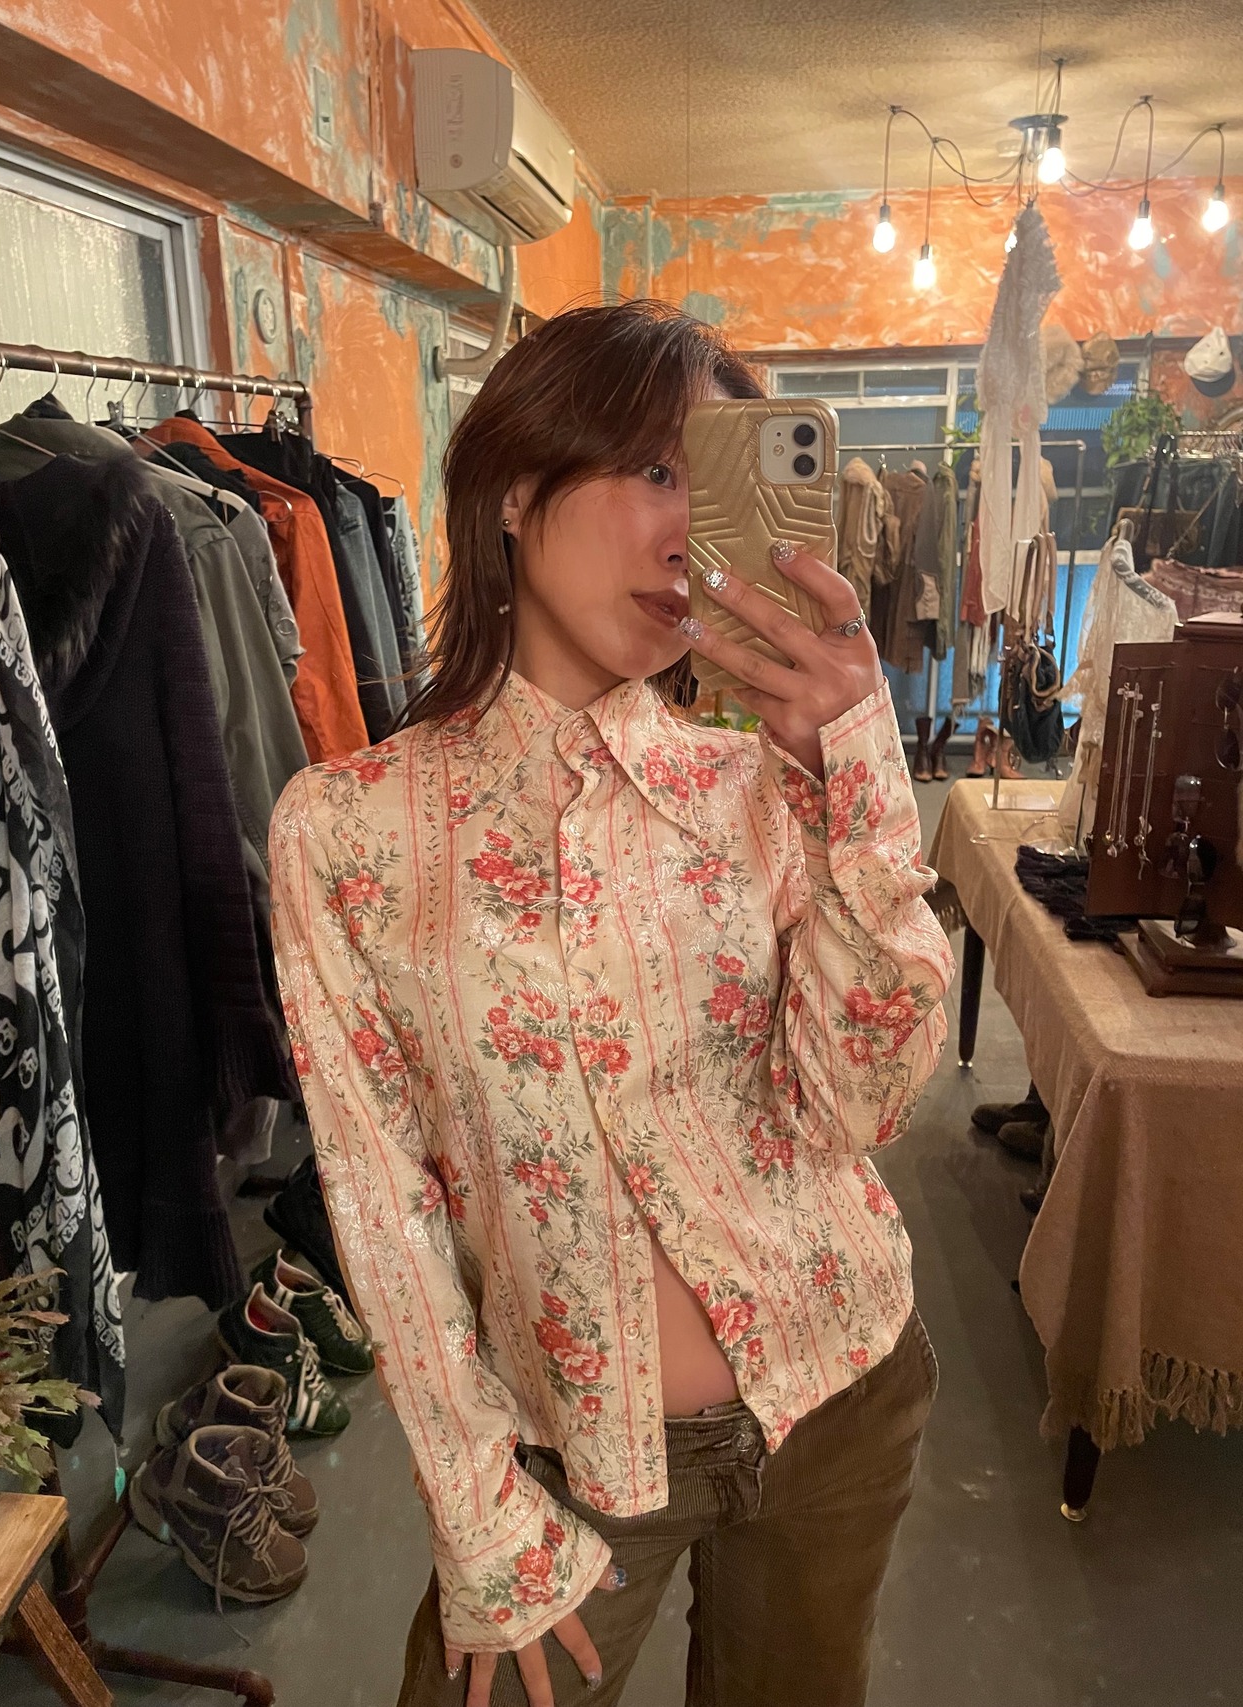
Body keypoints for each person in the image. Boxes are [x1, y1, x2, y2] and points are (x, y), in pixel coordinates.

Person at [270, 301, 955, 1707]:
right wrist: (478, 1513)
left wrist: (856, 777)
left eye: (715, 484)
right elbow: (379, 1200)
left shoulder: (758, 781)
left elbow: (859, 1107)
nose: (687, 535)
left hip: (839, 1391)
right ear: (515, 489)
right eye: (652, 471)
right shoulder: (349, 830)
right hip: (573, 1453)